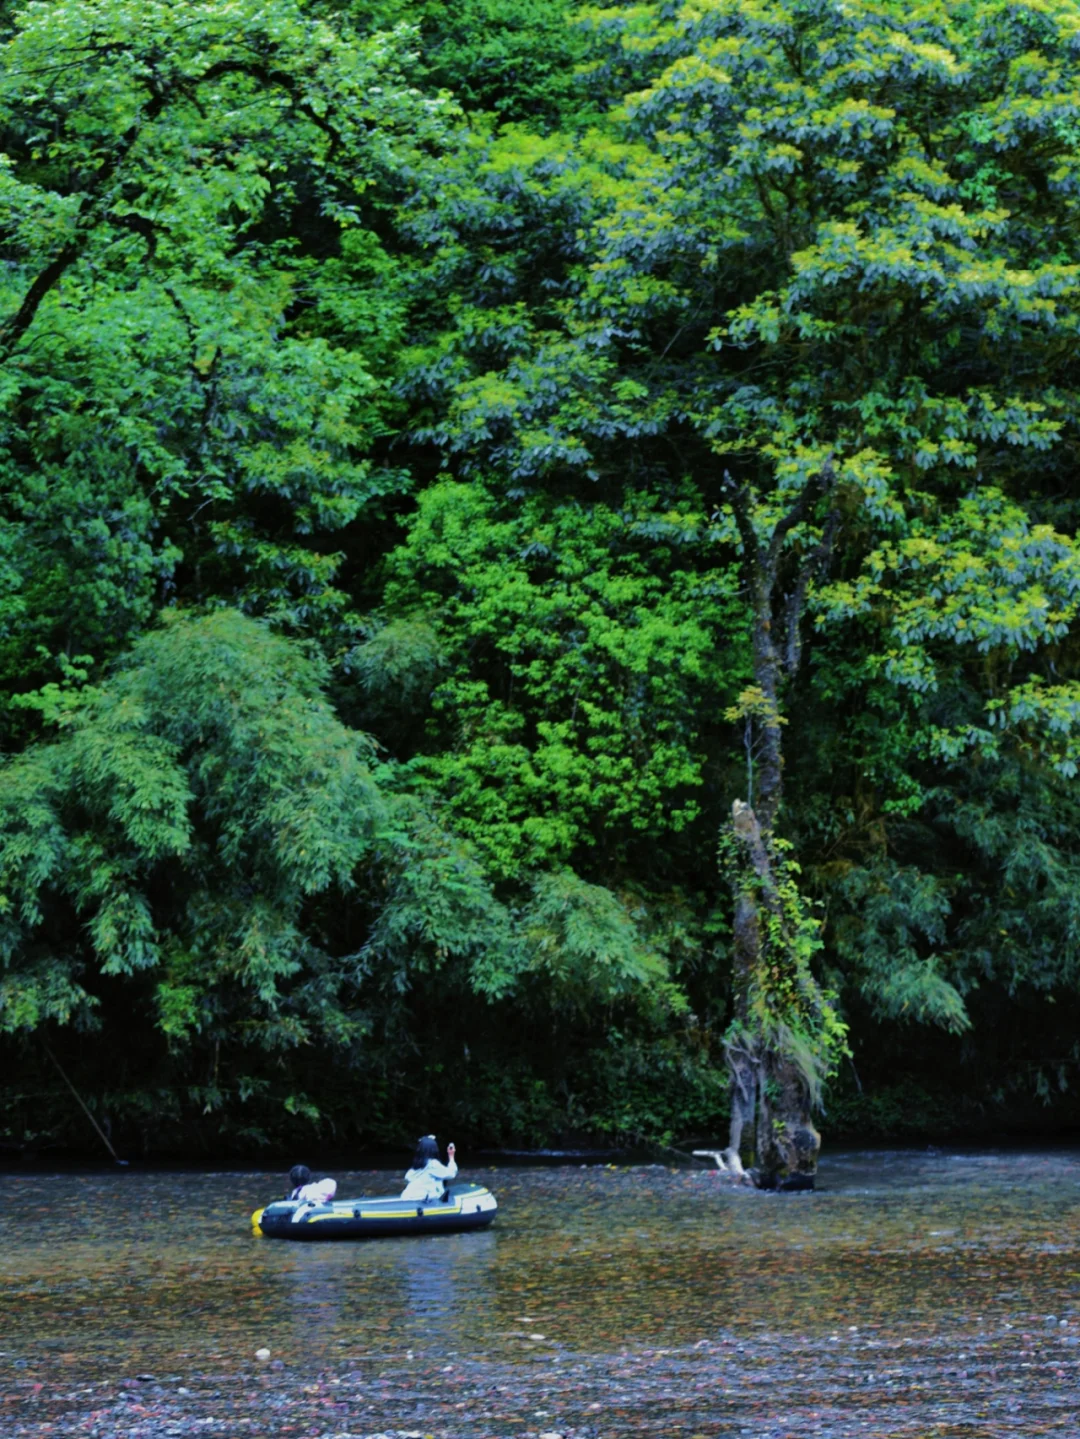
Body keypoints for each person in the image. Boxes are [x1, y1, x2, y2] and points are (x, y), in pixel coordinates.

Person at [401, 1135, 457, 1202]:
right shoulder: (432, 1164)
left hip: (407, 1197)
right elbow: (451, 1174)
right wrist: (451, 1156)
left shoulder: (417, 1164)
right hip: (420, 1200)